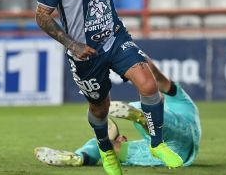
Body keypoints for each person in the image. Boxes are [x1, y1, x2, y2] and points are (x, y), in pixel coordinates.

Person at [34, 0, 182, 175]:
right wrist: (73, 45)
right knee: (99, 108)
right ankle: (104, 148)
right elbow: (42, 17)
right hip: (84, 53)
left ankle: (157, 144)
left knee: (148, 84)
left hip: (114, 37)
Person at [34, 68, 201, 168]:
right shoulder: (182, 101)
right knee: (107, 146)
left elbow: (156, 76)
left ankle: (141, 116)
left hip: (181, 136)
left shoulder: (180, 102)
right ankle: (80, 157)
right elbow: (158, 78)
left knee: (152, 112)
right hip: (175, 154)